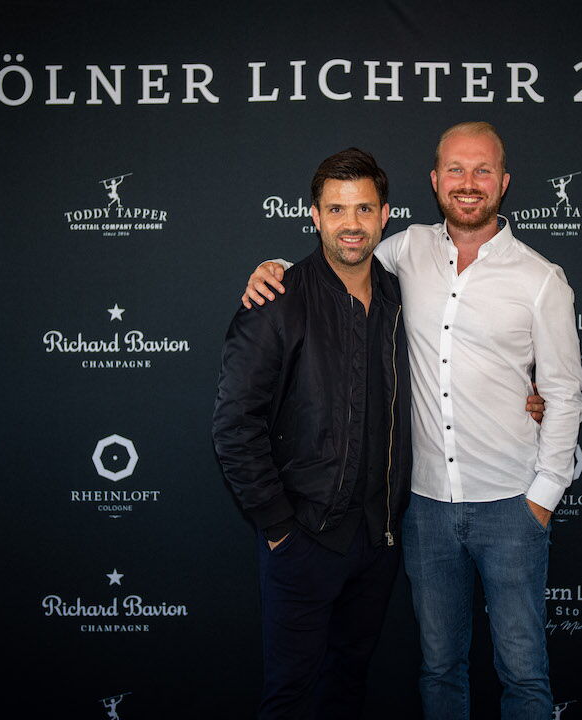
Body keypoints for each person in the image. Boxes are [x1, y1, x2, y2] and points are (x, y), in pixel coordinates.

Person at [242, 122, 582, 720]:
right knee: (439, 668)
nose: (468, 183)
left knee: (525, 674)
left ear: (504, 182)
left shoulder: (540, 279)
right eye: (456, 169)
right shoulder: (406, 250)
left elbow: (563, 393)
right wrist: (273, 269)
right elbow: (339, 258)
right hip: (423, 508)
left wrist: (543, 497)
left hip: (511, 505)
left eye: (482, 170)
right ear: (435, 180)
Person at [213, 148, 412, 720]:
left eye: (364, 208)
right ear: (315, 216)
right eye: (337, 209)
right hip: (303, 538)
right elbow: (234, 424)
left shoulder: (403, 297)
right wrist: (278, 526)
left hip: (378, 540)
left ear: (385, 215)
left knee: (347, 688)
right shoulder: (276, 300)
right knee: (291, 697)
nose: (352, 223)